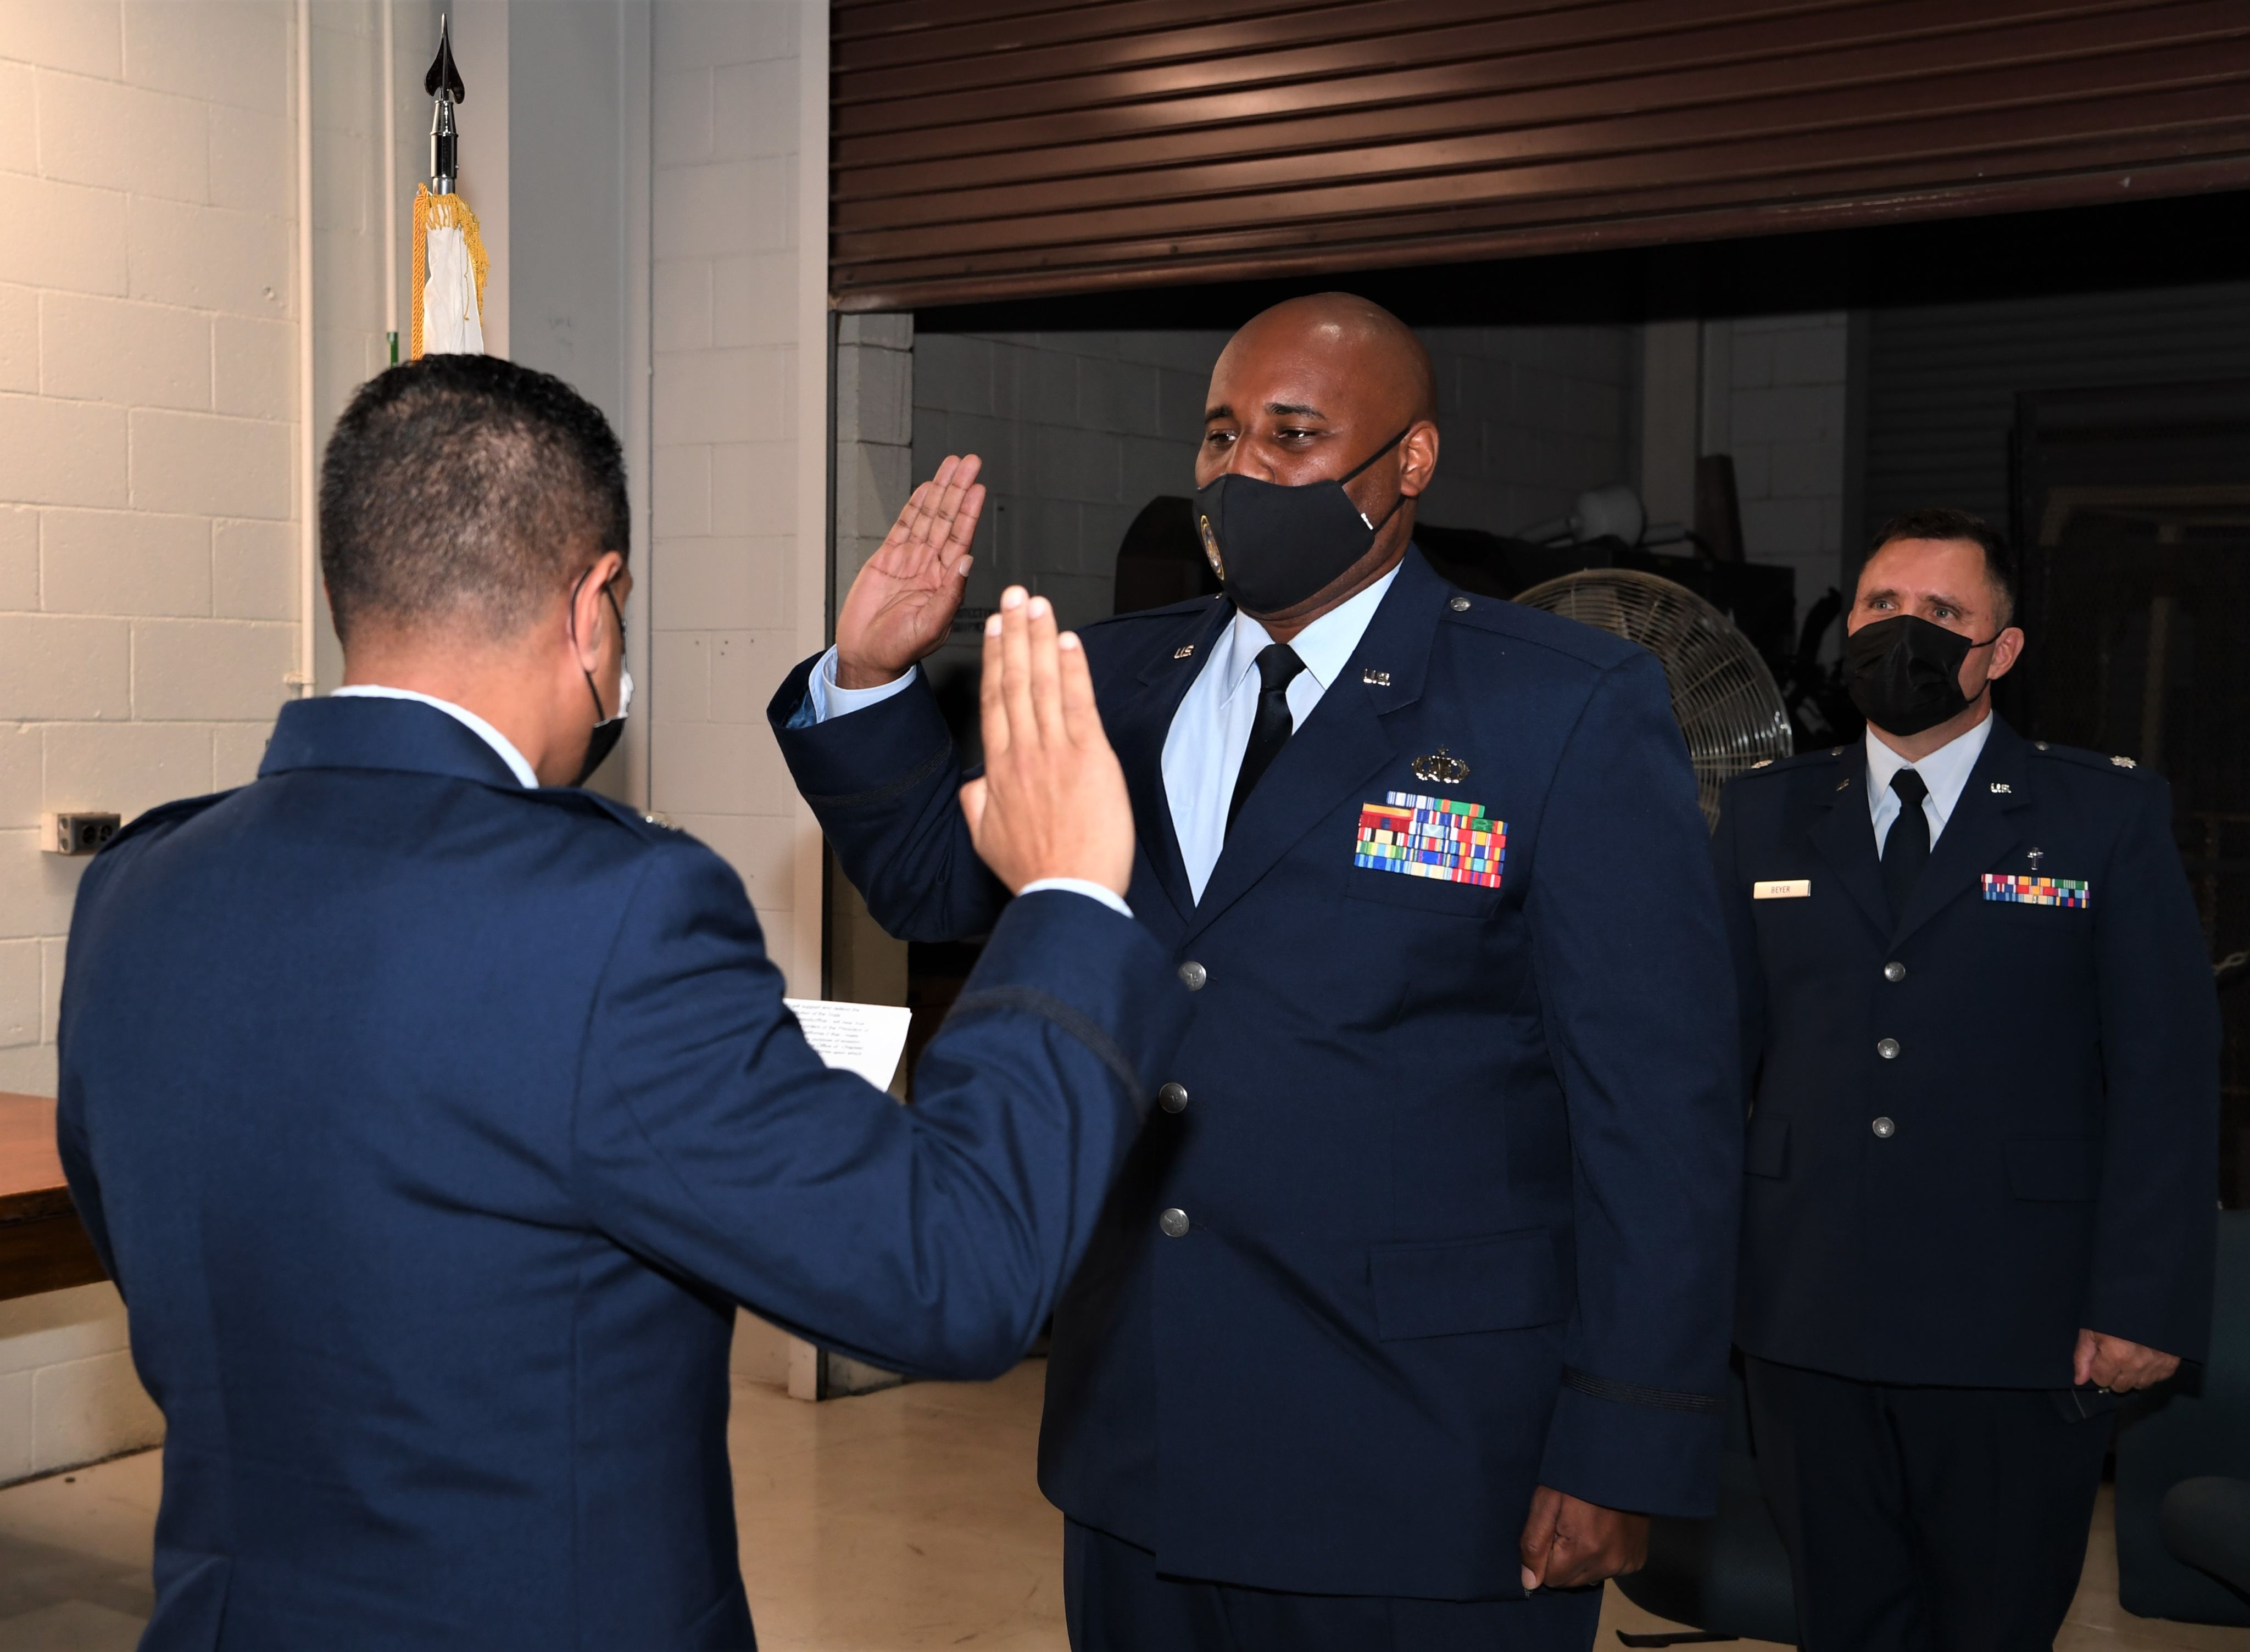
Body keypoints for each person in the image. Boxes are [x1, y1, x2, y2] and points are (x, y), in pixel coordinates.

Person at [55, 354, 1187, 1651]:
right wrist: (1067, 896)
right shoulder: (613, 910)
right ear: (593, 607)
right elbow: (956, 1271)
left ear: (343, 588)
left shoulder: (141, 882)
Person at [769, 293, 1741, 1650]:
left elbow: (1656, 1104)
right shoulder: (1112, 679)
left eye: (1292, 435)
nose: (1242, 471)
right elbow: (937, 879)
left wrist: (1622, 1434)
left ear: (1408, 460)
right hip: (1144, 1432)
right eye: (1221, 435)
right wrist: (870, 677)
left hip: (1425, 1451)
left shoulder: (1557, 706)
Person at [1711, 508, 2220, 1650]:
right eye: (1882, 605)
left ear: (2001, 650)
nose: (1904, 632)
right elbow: (1708, 1065)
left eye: (1943, 612)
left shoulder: (2100, 814)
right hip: (1805, 1316)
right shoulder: (1766, 812)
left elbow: (2165, 1078)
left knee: (1992, 1625)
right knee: (1843, 1622)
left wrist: (2141, 1302)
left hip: (2017, 1322)